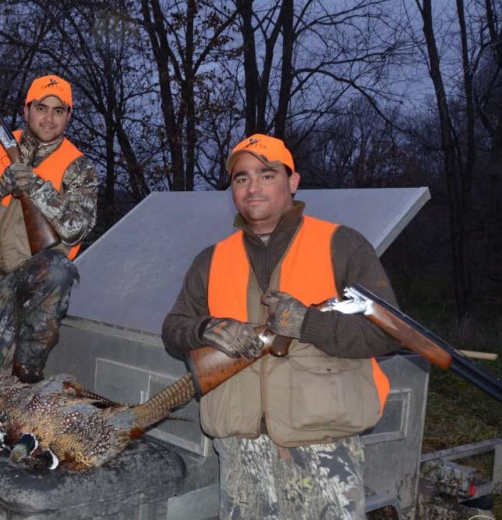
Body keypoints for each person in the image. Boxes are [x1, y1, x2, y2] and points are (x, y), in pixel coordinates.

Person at [162, 134, 398, 520]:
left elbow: (387, 333)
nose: (252, 186)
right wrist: (204, 328)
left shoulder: (342, 244)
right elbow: (173, 329)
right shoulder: (212, 258)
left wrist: (308, 323)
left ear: (292, 181)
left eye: (266, 174)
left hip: (322, 443)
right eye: (241, 178)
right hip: (241, 448)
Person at [0, 74, 98, 384]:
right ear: (26, 110)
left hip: (35, 270)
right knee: (1, 374)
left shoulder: (79, 166)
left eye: (58, 110)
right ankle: (12, 391)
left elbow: (77, 226)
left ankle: (29, 372)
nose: (49, 118)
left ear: (69, 115)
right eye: (41, 108)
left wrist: (37, 188)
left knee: (59, 270)